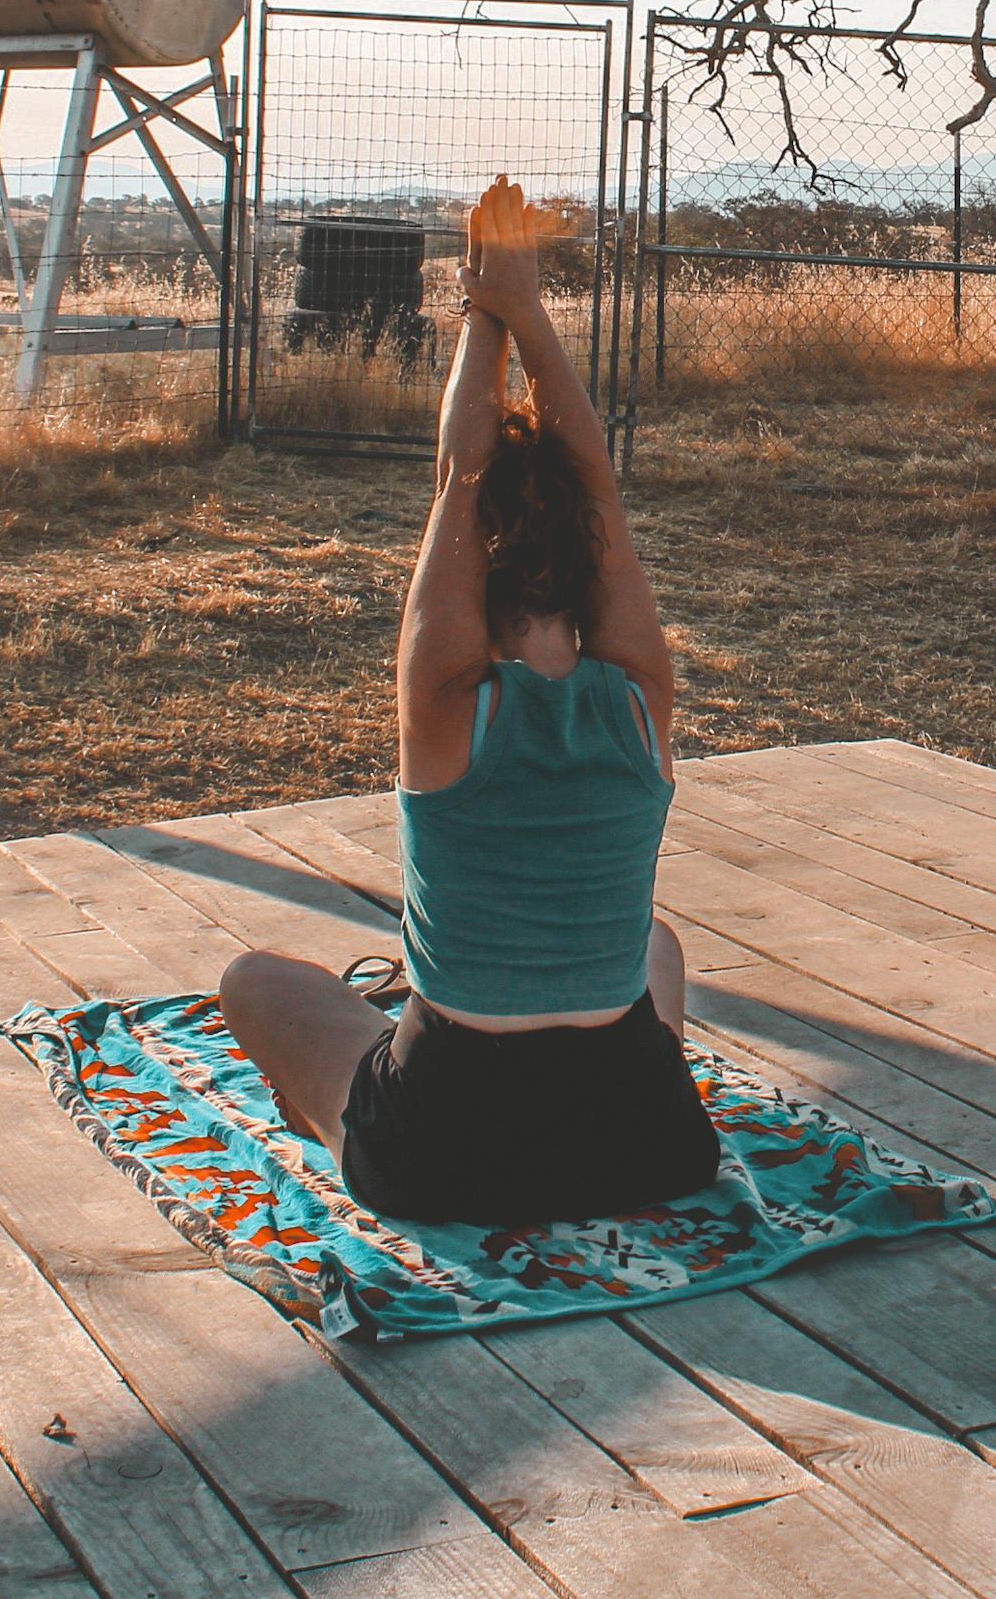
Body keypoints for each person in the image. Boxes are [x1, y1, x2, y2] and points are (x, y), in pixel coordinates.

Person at [216, 175, 722, 1226]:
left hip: (444, 1154)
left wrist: (483, 313)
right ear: (590, 580)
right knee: (657, 945)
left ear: (467, 591)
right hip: (648, 1147)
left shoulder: (447, 706)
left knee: (255, 980)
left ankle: (355, 1108)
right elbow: (595, 482)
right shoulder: (639, 700)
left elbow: (459, 472)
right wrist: (528, 311)